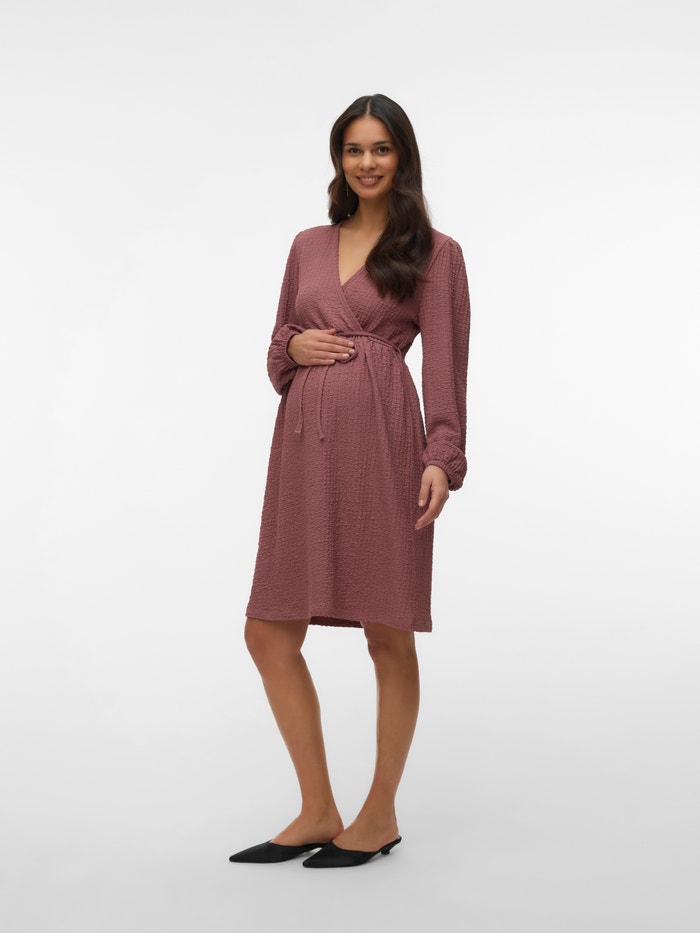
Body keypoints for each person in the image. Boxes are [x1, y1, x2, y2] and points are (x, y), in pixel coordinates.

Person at [229, 93, 470, 869]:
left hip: (382, 448)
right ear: (339, 158)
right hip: (302, 450)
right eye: (354, 148)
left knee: (386, 630)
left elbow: (446, 368)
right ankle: (317, 808)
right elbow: (277, 345)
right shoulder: (306, 245)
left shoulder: (435, 252)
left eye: (381, 148)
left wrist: (441, 456)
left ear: (403, 158)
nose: (367, 162)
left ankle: (378, 812)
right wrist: (293, 349)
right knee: (268, 630)